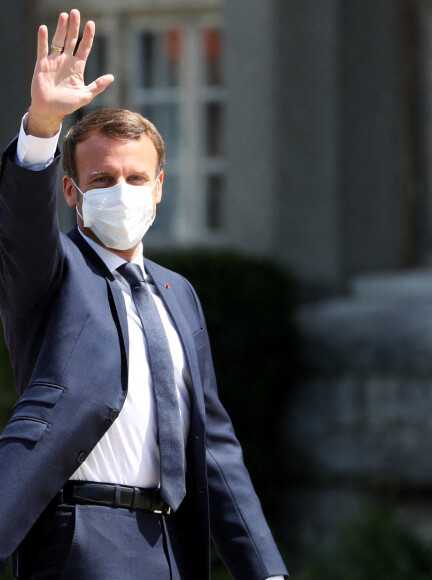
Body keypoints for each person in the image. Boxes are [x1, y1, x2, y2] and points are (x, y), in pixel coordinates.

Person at [0, 9, 288, 580]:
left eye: (136, 179)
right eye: (103, 180)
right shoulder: (53, 273)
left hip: (172, 545)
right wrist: (42, 124)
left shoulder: (178, 294)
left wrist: (266, 570)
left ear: (159, 190)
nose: (121, 192)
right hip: (81, 539)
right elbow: (22, 226)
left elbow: (213, 447)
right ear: (72, 191)